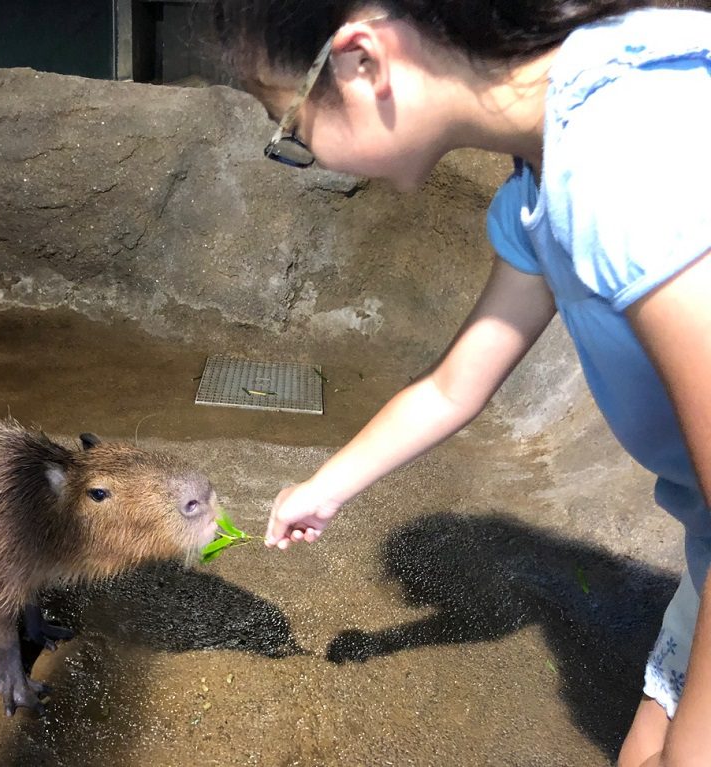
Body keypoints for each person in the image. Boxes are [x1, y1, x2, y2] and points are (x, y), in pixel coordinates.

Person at [212, 1, 711, 765]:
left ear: (360, 61)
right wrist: (328, 483)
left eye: (293, 128)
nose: (309, 153)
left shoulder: (628, 155)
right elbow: (454, 385)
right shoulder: (543, 178)